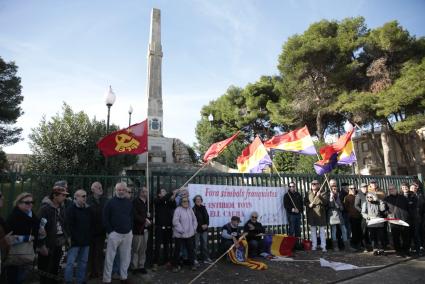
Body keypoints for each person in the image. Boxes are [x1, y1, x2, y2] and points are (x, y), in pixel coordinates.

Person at [37, 181, 69, 284]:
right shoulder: (45, 209)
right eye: (62, 195)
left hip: (59, 243)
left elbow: (63, 224)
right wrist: (42, 245)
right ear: (55, 195)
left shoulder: (62, 207)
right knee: (45, 270)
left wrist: (66, 238)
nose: (64, 197)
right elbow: (39, 228)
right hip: (47, 244)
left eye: (65, 195)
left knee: (55, 269)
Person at [102, 182, 133, 284]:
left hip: (127, 234)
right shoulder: (110, 202)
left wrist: (130, 228)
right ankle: (107, 279)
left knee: (126, 257)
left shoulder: (129, 202)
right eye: (119, 189)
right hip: (114, 234)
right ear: (116, 190)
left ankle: (124, 277)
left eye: (123, 190)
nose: (121, 191)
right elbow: (105, 218)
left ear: (125, 191)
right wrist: (110, 232)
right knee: (109, 258)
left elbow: (131, 217)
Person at [5, 193, 39, 284]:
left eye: (32, 202)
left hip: (28, 253)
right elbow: (7, 238)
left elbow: (36, 232)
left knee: (23, 279)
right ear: (19, 203)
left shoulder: (32, 216)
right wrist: (25, 238)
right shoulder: (13, 217)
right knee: (14, 279)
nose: (31, 204)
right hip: (15, 255)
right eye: (27, 202)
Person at [65, 189, 92, 284]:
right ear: (76, 197)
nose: (85, 198)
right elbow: (68, 226)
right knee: (70, 263)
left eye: (86, 196)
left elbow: (90, 224)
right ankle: (68, 281)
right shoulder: (70, 209)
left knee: (83, 263)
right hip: (74, 242)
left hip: (86, 241)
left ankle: (80, 281)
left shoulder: (88, 209)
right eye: (83, 196)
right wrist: (72, 239)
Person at [87, 181, 108, 279]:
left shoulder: (105, 200)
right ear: (92, 190)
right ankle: (90, 272)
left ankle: (99, 272)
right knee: (90, 253)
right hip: (90, 231)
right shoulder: (88, 200)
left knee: (99, 253)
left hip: (101, 231)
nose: (100, 189)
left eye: (101, 187)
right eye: (98, 187)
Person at [172, 197, 197, 272]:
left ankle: (192, 264)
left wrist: (193, 229)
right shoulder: (178, 210)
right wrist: (181, 230)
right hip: (179, 235)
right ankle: (176, 266)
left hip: (189, 234)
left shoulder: (190, 209)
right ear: (180, 202)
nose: (186, 202)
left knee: (190, 250)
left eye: (187, 201)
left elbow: (194, 220)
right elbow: (175, 222)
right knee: (177, 250)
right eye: (184, 201)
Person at [153, 188, 176, 271]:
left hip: (168, 227)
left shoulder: (168, 201)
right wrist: (171, 192)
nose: (165, 192)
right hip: (159, 227)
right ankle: (155, 262)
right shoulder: (157, 200)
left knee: (167, 245)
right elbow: (163, 199)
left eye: (165, 191)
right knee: (158, 245)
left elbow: (174, 206)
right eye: (163, 191)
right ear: (159, 194)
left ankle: (167, 261)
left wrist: (173, 199)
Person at [384, 184, 409, 256]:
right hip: (394, 221)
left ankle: (406, 250)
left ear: (396, 189)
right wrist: (388, 214)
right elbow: (384, 210)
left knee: (405, 237)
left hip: (404, 220)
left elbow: (408, 207)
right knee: (396, 237)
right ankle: (398, 251)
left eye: (392, 188)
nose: (391, 190)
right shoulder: (387, 199)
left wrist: (408, 217)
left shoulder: (403, 197)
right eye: (390, 189)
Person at [328, 182, 353, 252]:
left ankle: (347, 246)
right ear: (331, 190)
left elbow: (342, 207)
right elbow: (329, 206)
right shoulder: (330, 197)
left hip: (340, 216)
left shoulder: (338, 197)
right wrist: (330, 198)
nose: (335, 190)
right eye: (333, 189)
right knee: (334, 231)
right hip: (333, 217)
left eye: (336, 189)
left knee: (344, 230)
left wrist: (339, 206)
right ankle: (335, 246)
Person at [304, 180, 328, 252]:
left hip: (321, 213)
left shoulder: (323, 192)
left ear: (319, 185)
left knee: (322, 231)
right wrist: (308, 205)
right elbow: (305, 201)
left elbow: (326, 202)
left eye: (315, 184)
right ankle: (314, 245)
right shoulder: (308, 193)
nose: (314, 185)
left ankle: (323, 246)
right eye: (312, 184)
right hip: (312, 214)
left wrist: (319, 196)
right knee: (313, 231)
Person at [131, 187, 151, 274]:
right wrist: (144, 220)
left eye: (147, 191)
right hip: (137, 229)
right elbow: (135, 215)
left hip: (145, 230)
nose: (146, 193)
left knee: (143, 249)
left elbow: (150, 215)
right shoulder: (135, 202)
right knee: (136, 249)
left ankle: (141, 266)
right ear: (140, 192)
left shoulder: (148, 203)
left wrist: (149, 217)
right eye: (144, 191)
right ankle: (134, 267)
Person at [192, 195, 212, 264]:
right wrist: (201, 226)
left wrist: (207, 224)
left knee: (205, 245)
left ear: (201, 200)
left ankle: (205, 259)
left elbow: (207, 217)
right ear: (194, 201)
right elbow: (194, 220)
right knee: (196, 245)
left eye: (199, 199)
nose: (198, 200)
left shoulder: (204, 208)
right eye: (197, 199)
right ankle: (195, 259)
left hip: (204, 230)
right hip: (197, 230)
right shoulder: (193, 209)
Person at [402, 182, 419, 254]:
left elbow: (414, 205)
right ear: (401, 189)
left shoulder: (412, 194)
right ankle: (407, 249)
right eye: (403, 188)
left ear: (408, 188)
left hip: (413, 218)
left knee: (415, 234)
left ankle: (417, 249)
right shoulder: (400, 196)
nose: (405, 189)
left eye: (406, 187)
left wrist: (409, 204)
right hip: (405, 219)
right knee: (406, 235)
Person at [344, 185, 362, 250]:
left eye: (354, 188)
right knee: (354, 231)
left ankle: (360, 244)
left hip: (360, 216)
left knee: (360, 231)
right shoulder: (347, 197)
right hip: (352, 217)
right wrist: (350, 213)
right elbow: (346, 207)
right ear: (349, 189)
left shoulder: (359, 196)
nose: (353, 189)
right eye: (351, 188)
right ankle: (354, 245)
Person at [410, 183, 424, 255]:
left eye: (414, 188)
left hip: (420, 217)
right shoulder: (409, 196)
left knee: (420, 232)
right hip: (411, 218)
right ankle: (415, 247)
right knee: (414, 233)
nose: (413, 189)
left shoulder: (420, 195)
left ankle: (421, 246)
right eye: (412, 188)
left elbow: (422, 206)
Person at [355, 183, 370, 250]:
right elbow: (356, 205)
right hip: (363, 216)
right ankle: (363, 245)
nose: (365, 188)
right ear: (361, 188)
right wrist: (362, 211)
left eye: (366, 187)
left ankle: (369, 244)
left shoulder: (369, 194)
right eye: (363, 187)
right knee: (363, 231)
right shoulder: (358, 195)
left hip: (370, 215)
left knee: (369, 230)